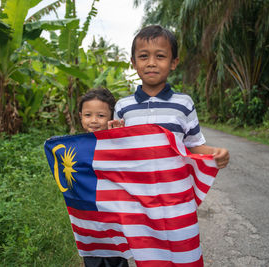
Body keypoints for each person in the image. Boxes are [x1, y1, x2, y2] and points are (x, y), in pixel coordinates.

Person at [109, 25, 229, 169]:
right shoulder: (123, 106)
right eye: (143, 56)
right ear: (134, 63)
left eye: (160, 56)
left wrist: (215, 153)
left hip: (174, 187)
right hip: (136, 187)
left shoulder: (184, 104)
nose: (151, 63)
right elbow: (117, 151)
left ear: (173, 63)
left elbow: (193, 146)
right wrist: (115, 136)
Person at [78, 88, 128, 267]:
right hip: (88, 216)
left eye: (100, 115)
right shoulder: (75, 147)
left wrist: (118, 138)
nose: (93, 121)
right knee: (92, 256)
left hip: (115, 214)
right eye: (88, 115)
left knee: (117, 256)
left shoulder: (117, 143)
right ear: (80, 116)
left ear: (111, 117)